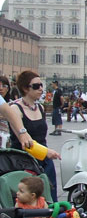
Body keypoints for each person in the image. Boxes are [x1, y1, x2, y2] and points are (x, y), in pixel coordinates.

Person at [9, 71, 60, 202]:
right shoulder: (15, 108)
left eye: (41, 85)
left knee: (49, 194)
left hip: (43, 159)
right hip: (24, 160)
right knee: (30, 199)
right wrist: (46, 152)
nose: (41, 89)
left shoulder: (40, 108)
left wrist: (45, 152)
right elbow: (24, 141)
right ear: (25, 88)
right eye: (36, 86)